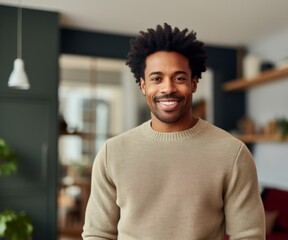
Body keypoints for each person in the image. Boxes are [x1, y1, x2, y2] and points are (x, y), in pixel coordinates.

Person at [82, 23, 265, 240]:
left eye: (179, 78)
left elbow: (248, 236)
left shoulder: (232, 153)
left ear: (194, 83)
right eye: (156, 78)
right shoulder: (112, 152)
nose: (167, 88)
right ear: (142, 85)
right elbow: (98, 234)